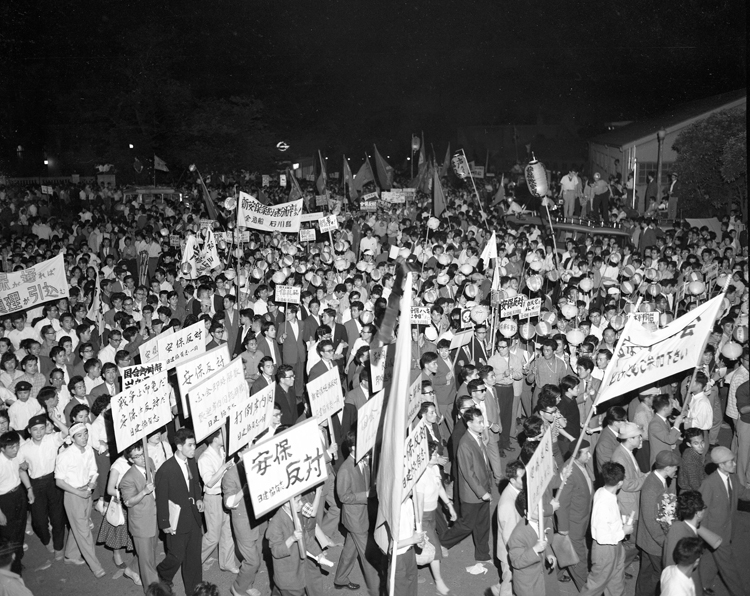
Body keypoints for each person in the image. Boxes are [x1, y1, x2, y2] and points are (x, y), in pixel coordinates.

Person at [155, 428, 205, 596]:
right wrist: (164, 524)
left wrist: (198, 499)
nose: (193, 448)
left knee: (193, 559)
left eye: (194, 445)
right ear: (178, 446)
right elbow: (161, 499)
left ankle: (195, 591)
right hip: (176, 521)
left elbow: (195, 483)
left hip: (193, 518)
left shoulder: (191, 461)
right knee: (176, 556)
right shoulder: (166, 470)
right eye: (190, 445)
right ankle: (163, 572)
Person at [440, 407, 492, 564]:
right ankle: (443, 543)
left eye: (482, 421)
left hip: (483, 489)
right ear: (469, 424)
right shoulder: (465, 444)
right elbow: (468, 474)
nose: (483, 425)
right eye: (479, 422)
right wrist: (482, 493)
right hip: (472, 494)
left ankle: (483, 555)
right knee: (466, 525)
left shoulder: (477, 437)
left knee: (483, 525)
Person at [54, 423, 106, 577]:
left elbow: (93, 470)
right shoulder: (64, 455)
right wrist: (79, 492)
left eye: (85, 434)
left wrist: (91, 484)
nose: (84, 438)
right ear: (72, 438)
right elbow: (59, 481)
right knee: (84, 531)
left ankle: (70, 555)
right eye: (80, 435)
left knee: (78, 526)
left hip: (87, 492)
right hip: (73, 496)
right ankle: (96, 566)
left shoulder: (89, 449)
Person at [698, 446, 750, 596]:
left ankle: (703, 585)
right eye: (731, 462)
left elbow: (743, 493)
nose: (734, 464)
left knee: (710, 559)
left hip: (727, 529)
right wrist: (704, 537)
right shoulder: (709, 484)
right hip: (716, 534)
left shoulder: (732, 478)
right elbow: (702, 513)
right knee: (729, 569)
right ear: (721, 465)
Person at [333, 431, 380, 596]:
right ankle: (377, 590)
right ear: (353, 448)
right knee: (369, 556)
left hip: (363, 514)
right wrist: (365, 495)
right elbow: (343, 496)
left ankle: (340, 579)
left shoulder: (363, 461)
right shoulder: (345, 469)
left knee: (349, 551)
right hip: (356, 519)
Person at [577, 461, 633, 596]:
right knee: (595, 586)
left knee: (616, 583)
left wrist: (619, 524)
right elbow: (602, 537)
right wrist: (623, 531)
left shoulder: (603, 491)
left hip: (615, 546)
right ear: (620, 483)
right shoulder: (604, 503)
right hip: (605, 550)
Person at [18, 414, 66, 559]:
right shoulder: (24, 448)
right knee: (38, 521)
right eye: (35, 429)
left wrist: (54, 419)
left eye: (41, 429)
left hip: (53, 481)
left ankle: (59, 546)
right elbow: (21, 469)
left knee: (57, 516)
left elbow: (66, 432)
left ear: (45, 429)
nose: (39, 433)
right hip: (36, 484)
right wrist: (29, 489)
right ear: (29, 430)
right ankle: (46, 540)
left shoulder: (51, 439)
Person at [635, 449, 680, 596]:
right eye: (675, 467)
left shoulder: (659, 480)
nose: (676, 469)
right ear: (667, 468)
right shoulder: (652, 487)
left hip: (649, 541)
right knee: (659, 575)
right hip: (654, 543)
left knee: (647, 574)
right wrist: (664, 541)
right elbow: (651, 521)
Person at [414, 440, 456, 596]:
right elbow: (418, 504)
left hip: (432, 513)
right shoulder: (420, 476)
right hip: (423, 516)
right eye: (433, 454)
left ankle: (409, 568)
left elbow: (439, 488)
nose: (437, 456)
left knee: (424, 547)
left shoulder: (435, 469)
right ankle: (439, 583)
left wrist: (449, 505)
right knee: (435, 549)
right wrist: (418, 526)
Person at [222, 442, 263, 596]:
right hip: (242, 522)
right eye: (247, 448)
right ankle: (238, 588)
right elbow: (228, 502)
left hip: (255, 519)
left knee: (255, 555)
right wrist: (244, 490)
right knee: (253, 561)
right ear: (239, 453)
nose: (252, 450)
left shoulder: (255, 465)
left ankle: (248, 584)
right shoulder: (230, 474)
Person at [120, 442, 160, 593]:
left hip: (154, 516)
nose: (142, 458)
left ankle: (131, 569)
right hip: (141, 523)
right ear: (131, 460)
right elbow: (128, 502)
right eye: (137, 457)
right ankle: (154, 591)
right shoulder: (128, 478)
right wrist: (144, 492)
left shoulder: (149, 461)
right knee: (149, 563)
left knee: (149, 551)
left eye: (143, 453)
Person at [197, 430, 239, 574]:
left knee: (228, 531)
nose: (225, 436)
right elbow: (209, 483)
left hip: (226, 494)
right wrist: (223, 467)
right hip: (213, 498)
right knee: (213, 536)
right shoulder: (204, 458)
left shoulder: (224, 451)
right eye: (222, 434)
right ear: (214, 438)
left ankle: (227, 562)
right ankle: (195, 560)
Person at [556, 440, 594, 591]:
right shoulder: (569, 472)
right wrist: (563, 529)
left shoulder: (580, 465)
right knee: (579, 559)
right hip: (573, 524)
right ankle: (586, 590)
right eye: (586, 453)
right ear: (576, 455)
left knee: (564, 551)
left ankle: (556, 573)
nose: (590, 455)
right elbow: (562, 503)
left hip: (581, 518)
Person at [507, 488, 559, 596]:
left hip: (539, 579)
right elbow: (516, 561)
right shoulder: (518, 534)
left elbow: (542, 541)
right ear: (526, 512)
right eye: (536, 508)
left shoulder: (538, 521)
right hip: (528, 586)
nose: (541, 511)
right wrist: (535, 550)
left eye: (540, 506)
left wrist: (548, 554)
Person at [611, 421, 646, 570]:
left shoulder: (627, 452)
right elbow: (627, 484)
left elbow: (636, 474)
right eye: (639, 436)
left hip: (632, 502)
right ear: (631, 438)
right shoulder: (620, 457)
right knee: (633, 542)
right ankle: (619, 570)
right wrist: (646, 478)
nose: (641, 439)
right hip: (627, 506)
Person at [0, 431, 33, 576]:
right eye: (11, 448)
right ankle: (12, 571)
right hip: (4, 500)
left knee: (20, 529)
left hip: (18, 494)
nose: (15, 450)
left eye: (16, 446)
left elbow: (20, 471)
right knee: (8, 536)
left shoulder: (15, 456)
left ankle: (18, 561)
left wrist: (29, 489)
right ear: (2, 449)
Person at [491, 459, 525, 596]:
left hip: (512, 550)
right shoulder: (508, 504)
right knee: (509, 582)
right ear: (512, 480)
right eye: (522, 478)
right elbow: (509, 537)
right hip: (510, 554)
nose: (526, 480)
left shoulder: (515, 491)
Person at [663, 491, 706, 595]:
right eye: (704, 507)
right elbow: (670, 563)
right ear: (698, 513)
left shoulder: (678, 526)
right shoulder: (681, 533)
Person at [648, 394, 684, 469]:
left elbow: (668, 433)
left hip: (667, 459)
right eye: (671, 405)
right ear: (665, 408)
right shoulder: (655, 424)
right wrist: (677, 423)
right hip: (660, 463)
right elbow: (670, 439)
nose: (673, 407)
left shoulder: (663, 420)